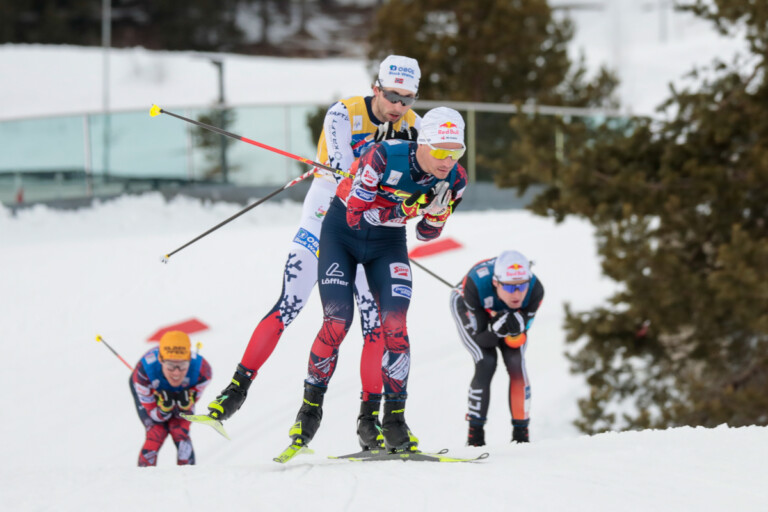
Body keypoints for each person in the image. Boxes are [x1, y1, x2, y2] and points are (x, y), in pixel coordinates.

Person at [207, 55, 423, 451]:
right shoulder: (344, 112)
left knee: (373, 321)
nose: (399, 107)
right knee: (291, 301)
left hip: (373, 222)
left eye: (408, 99)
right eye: (393, 96)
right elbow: (344, 166)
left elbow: (416, 179)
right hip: (327, 210)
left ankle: (367, 420)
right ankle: (235, 391)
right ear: (376, 88)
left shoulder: (414, 126)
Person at [287, 106, 469, 453]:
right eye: (442, 151)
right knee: (338, 322)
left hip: (388, 244)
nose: (448, 160)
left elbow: (428, 234)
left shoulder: (455, 179)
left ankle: (395, 421)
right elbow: (357, 215)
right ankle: (309, 410)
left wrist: (438, 214)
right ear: (423, 143)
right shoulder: (383, 155)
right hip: (342, 235)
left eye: (456, 151)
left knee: (395, 326)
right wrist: (409, 208)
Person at [449, 250, 544, 446]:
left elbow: (518, 336)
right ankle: (475, 437)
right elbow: (483, 338)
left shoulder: (535, 290)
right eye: (509, 288)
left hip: (499, 312)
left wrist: (518, 325)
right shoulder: (476, 283)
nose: (517, 294)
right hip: (470, 305)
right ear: (496, 283)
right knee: (486, 362)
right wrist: (494, 329)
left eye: (522, 286)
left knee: (516, 362)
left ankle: (521, 436)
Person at [129, 330, 212, 466]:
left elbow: (186, 410)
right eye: (170, 366)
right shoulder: (143, 373)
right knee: (156, 432)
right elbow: (152, 414)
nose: (176, 373)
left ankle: (188, 480)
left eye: (183, 366)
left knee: (180, 431)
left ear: (189, 360)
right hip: (150, 388)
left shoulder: (203, 371)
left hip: (180, 388)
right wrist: (164, 410)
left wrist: (184, 405)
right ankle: (143, 482)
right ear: (161, 360)